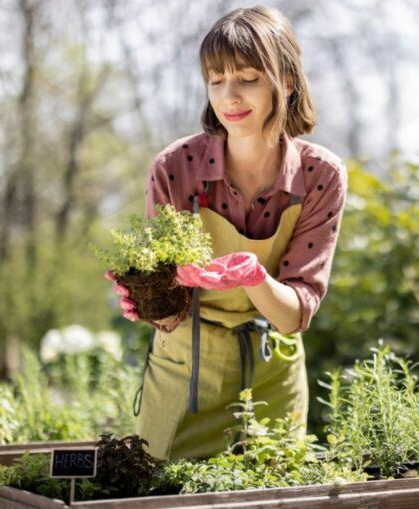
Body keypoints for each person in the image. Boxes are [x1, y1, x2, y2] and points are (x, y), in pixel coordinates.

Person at [105, 5, 346, 461]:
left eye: (248, 78)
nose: (229, 96)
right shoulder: (176, 169)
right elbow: (167, 303)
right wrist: (146, 296)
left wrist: (253, 276)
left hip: (272, 371)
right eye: (216, 80)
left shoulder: (320, 174)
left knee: (273, 490)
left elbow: (293, 315)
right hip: (186, 369)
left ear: (287, 81)